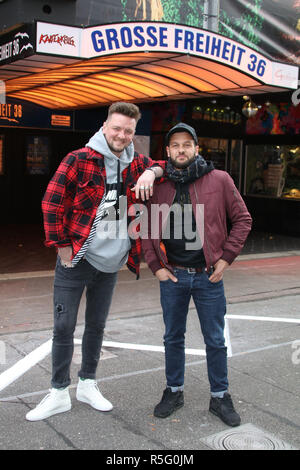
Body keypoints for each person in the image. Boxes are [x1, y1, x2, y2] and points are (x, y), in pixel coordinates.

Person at [26, 102, 164, 421]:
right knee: (63, 326)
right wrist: (62, 249)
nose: (122, 135)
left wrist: (150, 171)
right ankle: (59, 391)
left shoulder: (135, 162)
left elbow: (163, 164)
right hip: (77, 259)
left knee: (97, 326)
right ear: (105, 126)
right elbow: (51, 203)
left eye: (129, 131)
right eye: (117, 128)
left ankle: (87, 383)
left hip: (110, 264)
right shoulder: (79, 159)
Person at [141, 123, 252, 427]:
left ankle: (220, 396)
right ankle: (174, 391)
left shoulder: (219, 179)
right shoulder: (158, 185)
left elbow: (242, 219)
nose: (181, 149)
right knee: (172, 338)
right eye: (175, 145)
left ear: (197, 149)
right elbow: (147, 229)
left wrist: (227, 258)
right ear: (167, 152)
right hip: (173, 276)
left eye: (187, 144)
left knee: (215, 340)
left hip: (208, 277)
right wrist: (157, 267)